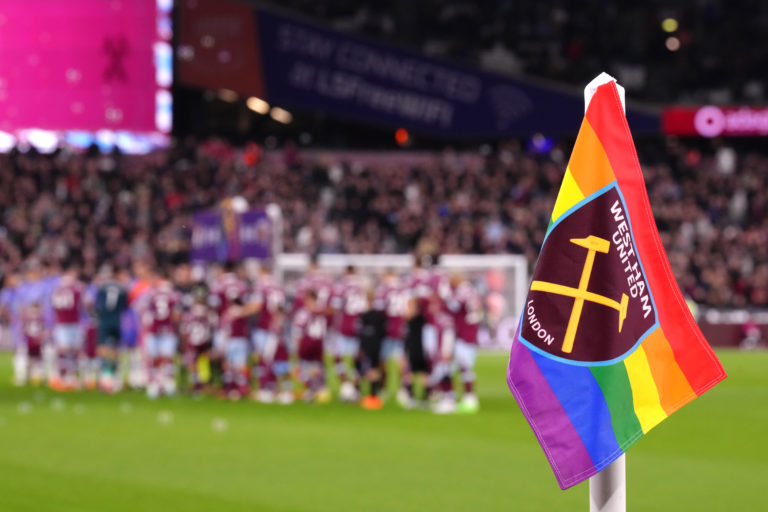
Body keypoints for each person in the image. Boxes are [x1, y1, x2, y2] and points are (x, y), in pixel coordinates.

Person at [250, 266, 289, 403]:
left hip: (266, 327)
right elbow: (283, 308)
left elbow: (256, 306)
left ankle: (268, 389)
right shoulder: (279, 286)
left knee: (266, 359)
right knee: (279, 359)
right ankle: (281, 389)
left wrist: (239, 312)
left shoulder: (261, 286)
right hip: (278, 327)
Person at [330, 266, 366, 402]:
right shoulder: (362, 286)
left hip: (344, 327)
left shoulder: (342, 286)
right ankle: (355, 389)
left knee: (337, 358)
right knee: (356, 359)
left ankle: (346, 386)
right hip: (358, 328)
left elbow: (336, 307)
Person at [447, 274, 482, 413]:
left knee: (463, 366)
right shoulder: (472, 291)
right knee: (462, 366)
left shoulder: (462, 292)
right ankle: (464, 397)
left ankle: (469, 398)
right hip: (470, 333)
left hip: (463, 333)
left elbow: (452, 306)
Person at [143, 277, 181, 398]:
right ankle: (168, 384)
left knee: (155, 360)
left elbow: (145, 312)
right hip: (168, 330)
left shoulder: (151, 294)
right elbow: (177, 314)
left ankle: (154, 384)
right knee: (167, 359)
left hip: (154, 330)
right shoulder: (174, 295)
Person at [50, 264, 85, 391]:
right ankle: (70, 376)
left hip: (61, 322)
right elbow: (83, 302)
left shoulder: (56, 289)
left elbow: (53, 306)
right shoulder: (76, 288)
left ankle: (62, 376)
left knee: (64, 351)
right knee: (73, 351)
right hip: (72, 322)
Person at [94, 267, 129, 392]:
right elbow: (125, 306)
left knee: (102, 347)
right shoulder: (122, 288)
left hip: (105, 319)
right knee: (115, 348)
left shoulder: (102, 287)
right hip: (117, 319)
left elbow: (97, 304)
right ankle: (114, 375)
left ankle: (106, 375)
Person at [293, 290, 330, 403]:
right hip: (318, 343)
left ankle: (312, 389)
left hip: (308, 342)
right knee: (316, 369)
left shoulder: (304, 313)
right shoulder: (321, 312)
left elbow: (297, 331)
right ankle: (318, 389)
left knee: (302, 370)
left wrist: (297, 347)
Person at [423, 292, 457, 414]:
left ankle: (449, 401)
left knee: (444, 375)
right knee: (440, 375)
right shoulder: (433, 319)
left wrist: (446, 352)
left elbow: (449, 336)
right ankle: (445, 398)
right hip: (437, 353)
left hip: (443, 353)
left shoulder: (444, 319)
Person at [180, 288, 217, 394]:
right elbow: (213, 326)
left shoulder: (190, 313)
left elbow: (184, 329)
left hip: (193, 340)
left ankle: (197, 385)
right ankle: (201, 384)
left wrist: (183, 342)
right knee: (202, 363)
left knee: (193, 364)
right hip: (204, 340)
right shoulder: (209, 312)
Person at [358, 289, 387, 410]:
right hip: (367, 347)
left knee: (374, 371)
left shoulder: (378, 316)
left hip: (375, 347)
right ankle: (367, 394)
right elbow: (361, 334)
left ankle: (373, 395)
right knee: (365, 371)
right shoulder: (364, 316)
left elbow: (381, 333)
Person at [15, 302, 46, 386]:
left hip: (28, 341)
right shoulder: (42, 316)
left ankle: (22, 377)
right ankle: (37, 377)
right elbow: (45, 330)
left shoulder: (25, 316)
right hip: (38, 341)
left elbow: (21, 330)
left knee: (24, 359)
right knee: (38, 360)